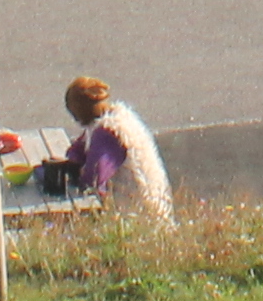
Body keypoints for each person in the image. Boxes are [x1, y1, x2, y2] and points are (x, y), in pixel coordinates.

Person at [31, 72, 175, 227]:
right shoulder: (118, 118)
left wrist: (75, 174)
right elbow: (80, 146)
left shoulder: (107, 133)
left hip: (139, 216)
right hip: (152, 207)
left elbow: (94, 179)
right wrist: (74, 160)